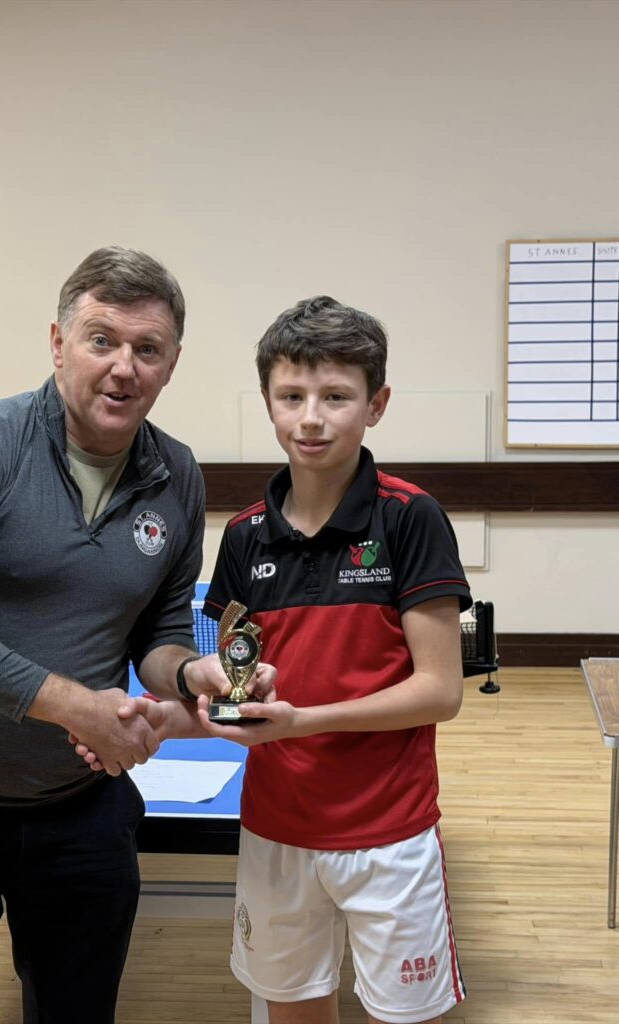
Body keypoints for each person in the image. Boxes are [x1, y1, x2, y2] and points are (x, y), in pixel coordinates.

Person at [0, 246, 252, 1024]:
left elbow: (160, 629)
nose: (123, 367)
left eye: (148, 348)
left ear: (172, 364)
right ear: (58, 343)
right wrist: (77, 707)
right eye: (102, 339)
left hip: (81, 809)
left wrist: (190, 675)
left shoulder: (176, 474)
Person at [194, 296, 471, 1024]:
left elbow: (440, 691)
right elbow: (238, 680)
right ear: (268, 402)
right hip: (276, 827)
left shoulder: (410, 518)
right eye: (291, 396)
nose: (311, 418)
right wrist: (193, 711)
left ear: (376, 405)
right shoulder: (244, 535)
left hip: (390, 833)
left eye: (336, 397)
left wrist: (302, 721)